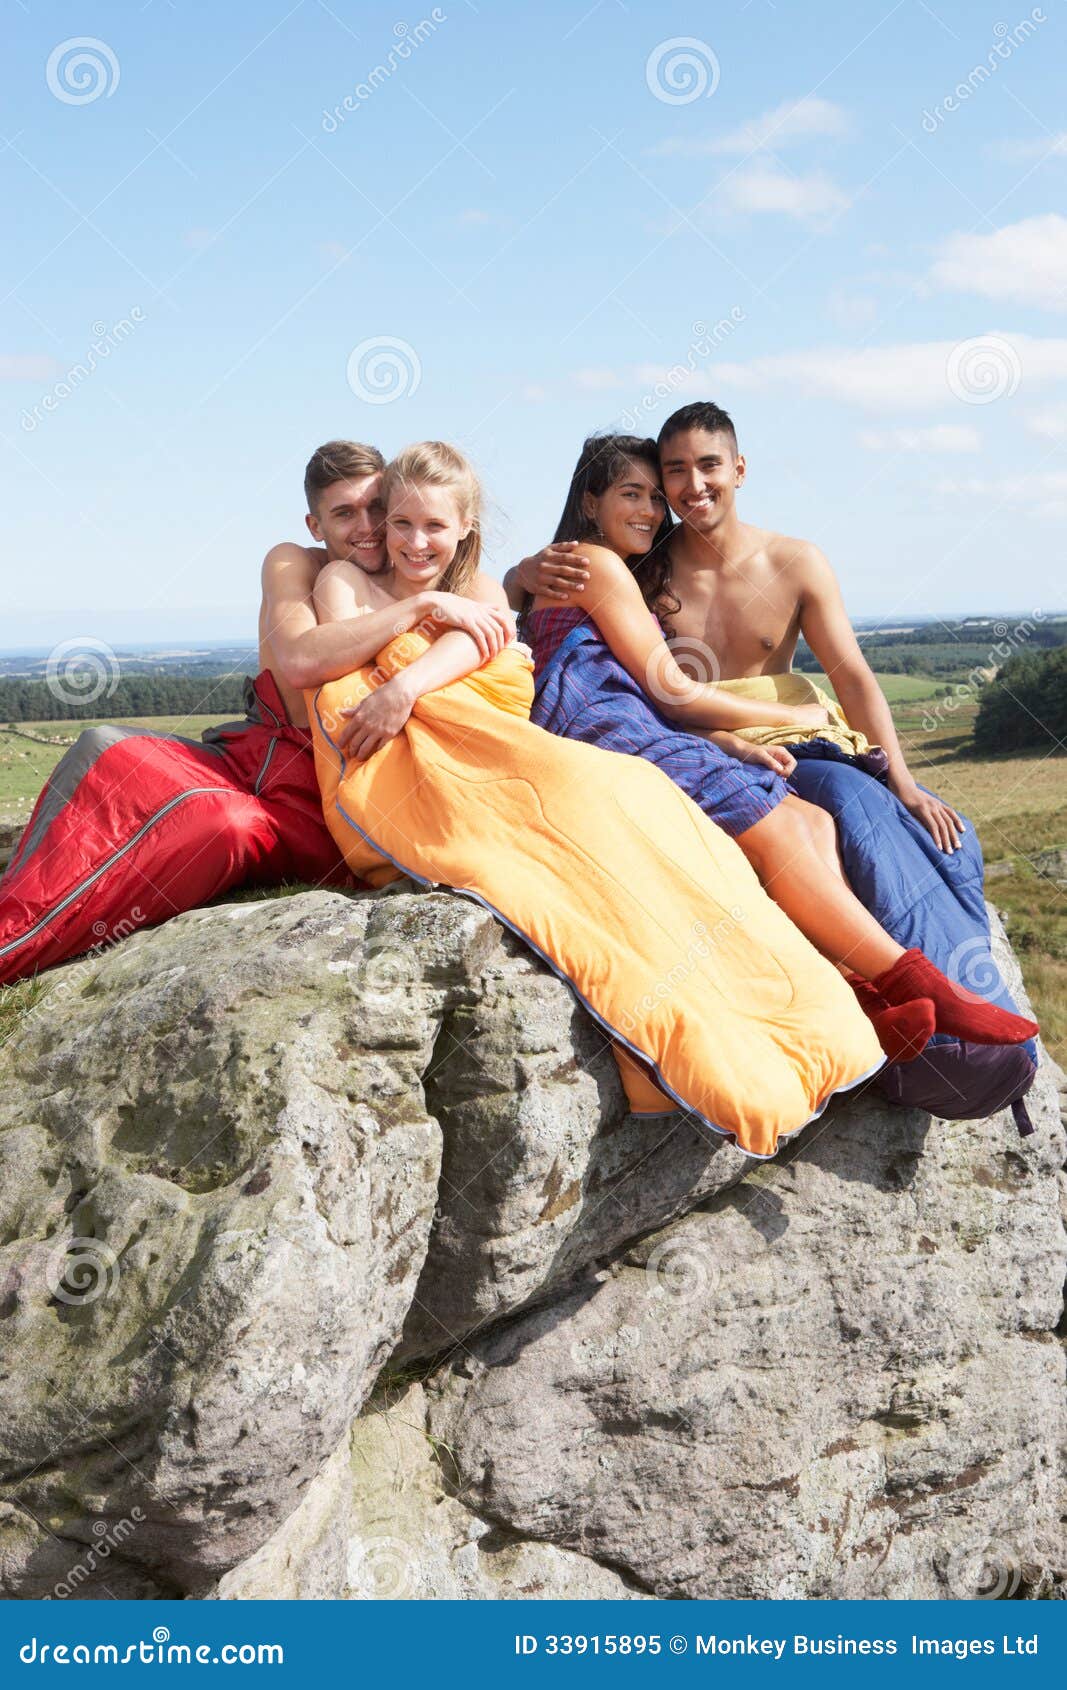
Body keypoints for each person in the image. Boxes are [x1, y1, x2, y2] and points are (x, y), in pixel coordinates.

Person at [304, 440, 887, 1161]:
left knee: (635, 796)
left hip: (492, 750)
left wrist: (402, 682)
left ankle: (807, 1000)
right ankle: (679, 1036)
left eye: (433, 527)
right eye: (400, 525)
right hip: (411, 777)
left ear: (464, 530)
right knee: (566, 867)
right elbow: (328, 653)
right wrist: (420, 612)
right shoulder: (343, 579)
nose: (414, 542)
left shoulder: (484, 590)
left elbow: (475, 646)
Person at [504, 431, 1038, 1075]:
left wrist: (515, 574)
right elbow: (669, 687)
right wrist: (792, 714)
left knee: (812, 820)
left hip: (629, 719)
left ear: (738, 468)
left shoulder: (581, 561)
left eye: (655, 496)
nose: (652, 508)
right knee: (777, 818)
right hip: (610, 729)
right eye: (633, 493)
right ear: (590, 502)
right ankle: (915, 982)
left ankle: (863, 995)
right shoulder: (602, 563)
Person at [0, 439, 513, 986]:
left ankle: (22, 939)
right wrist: (423, 606)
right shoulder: (298, 562)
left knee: (219, 825)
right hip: (271, 754)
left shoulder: (448, 580)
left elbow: (489, 633)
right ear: (315, 524)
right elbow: (298, 659)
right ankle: (23, 915)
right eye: (343, 513)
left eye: (376, 509)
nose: (366, 527)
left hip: (343, 788)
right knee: (110, 750)